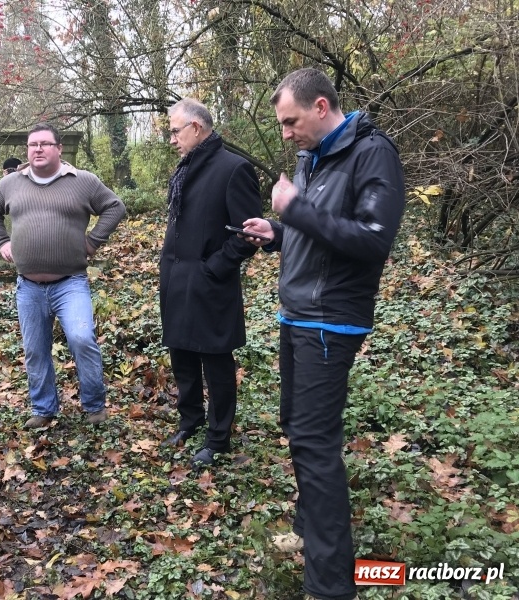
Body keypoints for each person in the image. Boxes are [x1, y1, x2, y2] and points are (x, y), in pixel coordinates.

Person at [242, 69, 405, 600]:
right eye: (282, 125)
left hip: (331, 320)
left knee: (315, 444)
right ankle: (310, 533)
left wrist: (296, 211)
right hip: (297, 313)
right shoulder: (310, 155)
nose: (285, 133)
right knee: (299, 428)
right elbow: (316, 230)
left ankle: (331, 585)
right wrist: (279, 232)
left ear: (320, 106)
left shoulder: (371, 153)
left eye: (291, 122)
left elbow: (373, 241)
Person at [0, 123, 126, 429]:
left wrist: (93, 241)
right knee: (35, 349)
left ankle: (95, 406)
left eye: (45, 144)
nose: (38, 149)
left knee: (81, 338)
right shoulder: (12, 184)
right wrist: (2, 242)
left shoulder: (82, 181)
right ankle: (44, 408)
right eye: (33, 144)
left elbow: (114, 207)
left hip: (70, 283)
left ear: (59, 149)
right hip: (29, 286)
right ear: (27, 151)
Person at [159, 98, 262, 468]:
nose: (172, 139)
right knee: (181, 353)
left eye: (175, 131)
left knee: (215, 361)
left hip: (209, 283)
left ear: (196, 128)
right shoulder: (186, 168)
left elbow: (249, 234)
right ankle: (191, 420)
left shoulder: (234, 169)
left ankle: (218, 437)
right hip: (176, 279)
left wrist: (213, 267)